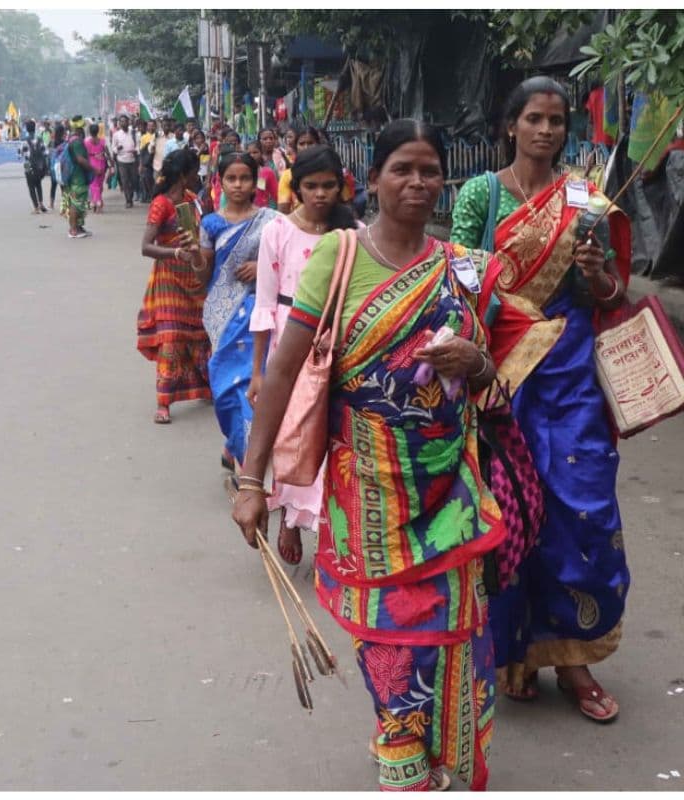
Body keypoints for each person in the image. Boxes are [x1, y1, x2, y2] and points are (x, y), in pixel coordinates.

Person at [233, 120, 502, 791]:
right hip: (370, 499)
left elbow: (497, 383)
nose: (418, 183)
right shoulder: (339, 257)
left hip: (452, 492)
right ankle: (402, 757)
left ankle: (447, 755)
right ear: (374, 178)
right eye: (403, 169)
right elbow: (285, 372)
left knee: (455, 634)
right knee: (391, 640)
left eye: (430, 170)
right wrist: (250, 479)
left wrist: (477, 362)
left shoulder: (461, 266)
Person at [451, 76, 630, 724]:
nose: (547, 130)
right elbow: (463, 285)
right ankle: (511, 652)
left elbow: (607, 294)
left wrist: (595, 275)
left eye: (556, 120)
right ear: (511, 125)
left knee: (579, 506)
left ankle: (573, 657)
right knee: (506, 509)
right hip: (502, 372)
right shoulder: (480, 194)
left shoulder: (584, 199)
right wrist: (507, 313)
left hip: (570, 373)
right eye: (534, 118)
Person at [248, 145, 360, 564]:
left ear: (342, 187)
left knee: (330, 433)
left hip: (336, 342)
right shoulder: (277, 231)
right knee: (292, 431)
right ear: (296, 188)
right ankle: (290, 520)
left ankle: (329, 526)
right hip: (287, 336)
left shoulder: (353, 234)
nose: (319, 194)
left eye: (328, 186)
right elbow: (263, 303)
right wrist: (259, 372)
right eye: (310, 186)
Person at [195, 152, 279, 471]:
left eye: (245, 178)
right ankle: (234, 442)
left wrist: (262, 267)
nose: (238, 185)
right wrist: (194, 257)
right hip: (222, 318)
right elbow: (204, 276)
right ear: (220, 182)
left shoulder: (271, 221)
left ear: (255, 181)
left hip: (259, 315)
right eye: (231, 178)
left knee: (255, 390)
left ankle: (251, 468)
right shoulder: (211, 224)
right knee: (225, 390)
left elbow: (290, 264)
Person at [136, 149, 211, 424]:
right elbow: (146, 247)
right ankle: (164, 402)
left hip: (194, 276)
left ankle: (206, 388)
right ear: (183, 175)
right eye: (194, 171)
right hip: (169, 277)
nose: (198, 175)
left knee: (200, 335)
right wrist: (175, 253)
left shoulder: (194, 200)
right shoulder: (161, 203)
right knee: (171, 337)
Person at [277, 126, 355, 213]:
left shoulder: (331, 170)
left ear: (318, 144)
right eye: (302, 144)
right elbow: (283, 211)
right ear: (296, 147)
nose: (306, 147)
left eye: (310, 143)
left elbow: (348, 206)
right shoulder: (288, 175)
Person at [61, 117, 92, 239]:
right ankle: (73, 229)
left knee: (78, 202)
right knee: (76, 203)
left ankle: (78, 227)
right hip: (76, 178)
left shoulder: (71, 140)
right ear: (79, 130)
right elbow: (80, 159)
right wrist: (93, 169)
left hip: (74, 177)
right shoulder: (77, 142)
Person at [19, 119, 49, 214]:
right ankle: (41, 203)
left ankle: (36, 208)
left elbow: (20, 155)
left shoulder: (25, 141)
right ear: (35, 128)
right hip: (40, 165)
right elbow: (46, 152)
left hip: (28, 165)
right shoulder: (40, 139)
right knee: (38, 184)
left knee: (31, 186)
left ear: (27, 129)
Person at [111, 115, 139, 209]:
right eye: (122, 121)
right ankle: (128, 200)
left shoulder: (134, 133)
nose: (124, 123)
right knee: (125, 181)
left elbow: (138, 145)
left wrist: (136, 150)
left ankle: (131, 195)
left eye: (125, 121)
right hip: (122, 160)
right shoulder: (116, 135)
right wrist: (117, 149)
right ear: (119, 123)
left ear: (128, 122)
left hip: (133, 160)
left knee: (133, 180)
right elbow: (113, 148)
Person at [85, 123, 110, 213]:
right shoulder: (102, 141)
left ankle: (96, 202)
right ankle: (98, 202)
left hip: (92, 164)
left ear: (90, 132)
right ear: (98, 131)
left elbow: (85, 155)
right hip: (101, 164)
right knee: (99, 185)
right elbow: (107, 152)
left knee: (93, 185)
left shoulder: (87, 142)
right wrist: (111, 164)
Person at [48, 124, 66, 210]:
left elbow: (49, 154)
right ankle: (64, 203)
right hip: (61, 166)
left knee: (53, 185)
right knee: (63, 185)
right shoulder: (64, 142)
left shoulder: (52, 142)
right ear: (62, 132)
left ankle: (51, 204)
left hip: (53, 166)